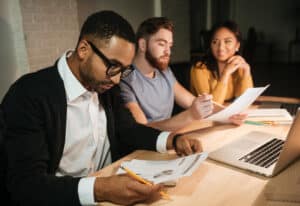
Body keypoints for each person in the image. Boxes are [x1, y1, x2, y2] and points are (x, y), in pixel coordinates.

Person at [1, 11, 202, 206]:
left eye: (123, 71)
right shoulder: (28, 95)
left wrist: (171, 139)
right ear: (83, 50)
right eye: (112, 65)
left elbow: (128, 130)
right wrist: (100, 189)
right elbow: (26, 186)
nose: (116, 79)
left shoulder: (105, 86)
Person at [120, 17, 245, 132]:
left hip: (169, 140)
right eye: (162, 44)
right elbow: (142, 131)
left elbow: (193, 102)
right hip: (146, 150)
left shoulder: (164, 71)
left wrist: (229, 115)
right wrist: (190, 115)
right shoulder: (125, 79)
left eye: (170, 45)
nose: (168, 51)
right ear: (142, 45)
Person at [190, 20, 254, 105]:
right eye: (215, 42)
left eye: (227, 41)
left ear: (237, 46)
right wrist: (225, 74)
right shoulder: (199, 68)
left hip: (230, 115)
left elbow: (246, 102)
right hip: (204, 117)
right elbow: (210, 106)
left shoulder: (239, 66)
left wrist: (246, 72)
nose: (220, 47)